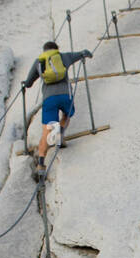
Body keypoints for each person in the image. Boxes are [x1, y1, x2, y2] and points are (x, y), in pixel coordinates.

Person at [24, 40, 93, 170]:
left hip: (49, 98)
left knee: (46, 130)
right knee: (66, 115)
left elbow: (28, 83)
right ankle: (60, 132)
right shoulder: (63, 56)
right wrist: (87, 54)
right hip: (65, 95)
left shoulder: (39, 61)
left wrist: (25, 84)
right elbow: (81, 54)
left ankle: (41, 163)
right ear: (56, 49)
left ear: (44, 50)